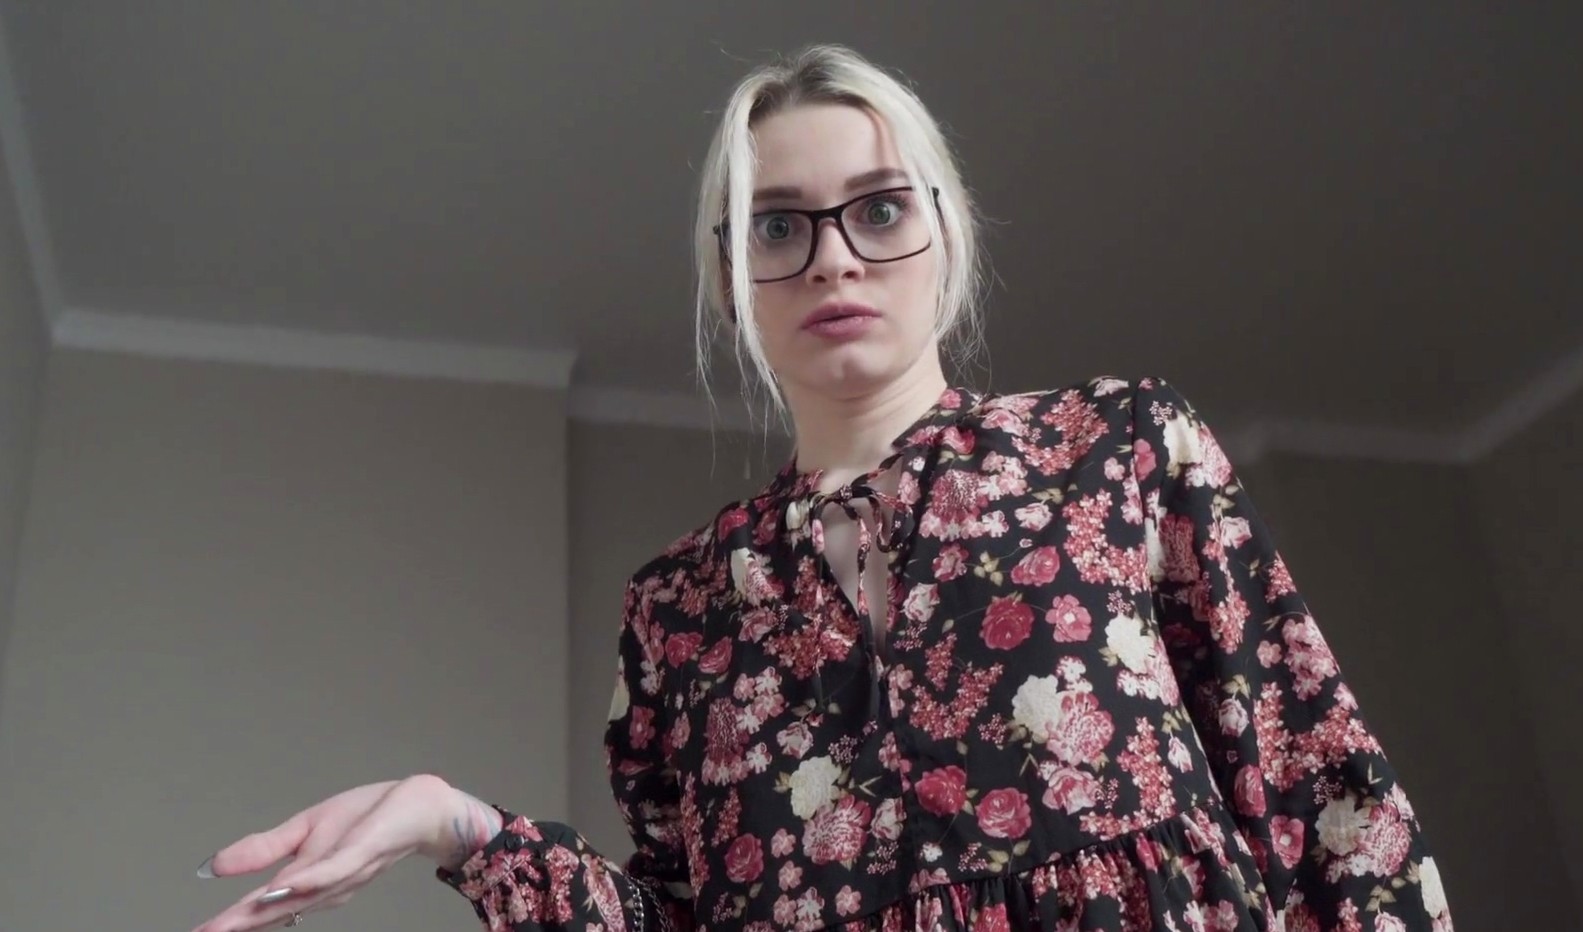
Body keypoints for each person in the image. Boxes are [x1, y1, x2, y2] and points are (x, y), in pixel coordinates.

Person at [190, 44, 1453, 932]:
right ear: (729, 278)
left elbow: (1324, 799)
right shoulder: (677, 608)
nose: (833, 257)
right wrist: (457, 825)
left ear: (944, 228)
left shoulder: (1116, 445)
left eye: (878, 208)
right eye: (778, 225)